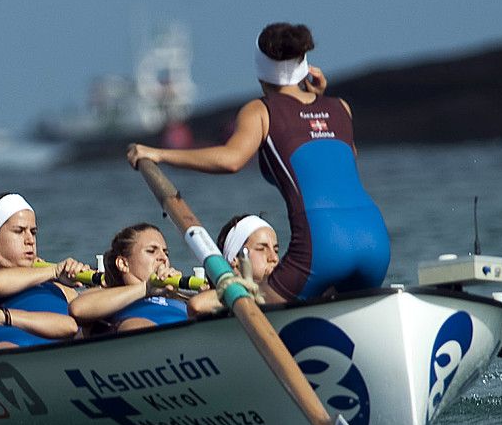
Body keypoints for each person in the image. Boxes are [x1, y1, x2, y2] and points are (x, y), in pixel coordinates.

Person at [128, 22, 389, 300]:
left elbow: (231, 160)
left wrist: (159, 154)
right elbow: (338, 158)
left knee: (256, 300)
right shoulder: (340, 108)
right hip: (376, 242)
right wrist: (320, 98)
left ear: (261, 71)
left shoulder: (261, 111)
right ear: (305, 65)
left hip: (322, 247)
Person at [0, 193, 86, 344]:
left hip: (69, 342)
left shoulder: (50, 282)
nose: (30, 240)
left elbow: (80, 305)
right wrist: (54, 271)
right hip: (12, 348)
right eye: (19, 231)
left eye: (33, 232)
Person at [70, 223, 219, 332]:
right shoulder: (106, 294)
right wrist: (147, 288)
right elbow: (78, 309)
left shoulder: (179, 296)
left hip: (193, 347)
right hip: (145, 351)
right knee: (135, 325)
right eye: (151, 251)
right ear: (123, 263)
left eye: (165, 253)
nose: (163, 258)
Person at [218, 214, 281, 286]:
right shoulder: (214, 295)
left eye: (276, 251)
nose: (274, 258)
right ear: (235, 260)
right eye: (261, 249)